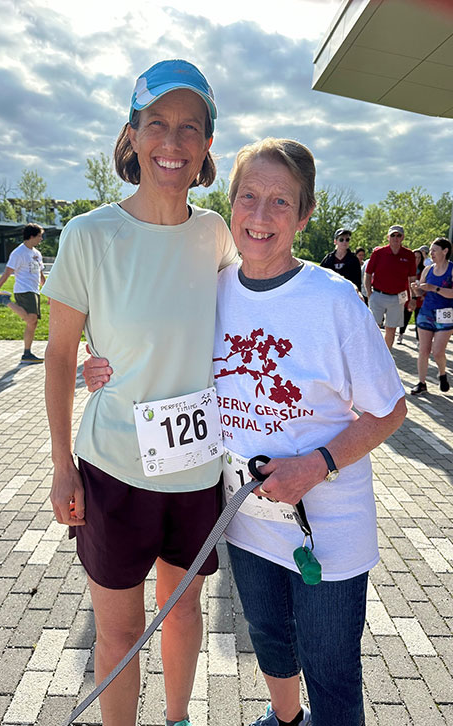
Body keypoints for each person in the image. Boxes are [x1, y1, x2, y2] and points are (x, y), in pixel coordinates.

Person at [83, 138, 406, 726]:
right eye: (248, 197)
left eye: (280, 202)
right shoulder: (215, 286)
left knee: (332, 668)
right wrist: (101, 361)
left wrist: (317, 464)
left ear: (305, 215)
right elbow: (156, 337)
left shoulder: (333, 301)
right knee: (270, 642)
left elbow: (390, 411)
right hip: (246, 521)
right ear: (229, 205)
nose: (260, 217)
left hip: (326, 532)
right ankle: (283, 719)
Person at [42, 59, 237, 726]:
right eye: (157, 124)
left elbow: (233, 332)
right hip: (114, 469)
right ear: (132, 134)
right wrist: (61, 462)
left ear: (209, 143)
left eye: (190, 128)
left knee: (182, 612)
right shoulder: (89, 234)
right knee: (120, 634)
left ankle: (178, 719)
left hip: (196, 468)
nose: (173, 143)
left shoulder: (217, 234)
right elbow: (62, 353)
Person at [0, 223, 46, 364]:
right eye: (39, 236)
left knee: (33, 323)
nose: (41, 239)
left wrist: (48, 293)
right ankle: (5, 300)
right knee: (31, 320)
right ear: (31, 236)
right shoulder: (19, 253)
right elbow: (7, 272)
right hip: (24, 290)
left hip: (34, 290)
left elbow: (41, 275)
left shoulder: (37, 254)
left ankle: (27, 353)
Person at [410, 237, 453, 395]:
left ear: (445, 251)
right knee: (423, 350)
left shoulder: (451, 269)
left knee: (438, 351)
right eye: (431, 250)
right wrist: (416, 289)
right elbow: (421, 292)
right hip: (426, 313)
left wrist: (434, 288)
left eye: (434, 250)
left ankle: (442, 373)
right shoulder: (428, 270)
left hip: (446, 314)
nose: (431, 253)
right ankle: (421, 383)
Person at [364, 224, 417, 349]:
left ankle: (386, 356)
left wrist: (413, 298)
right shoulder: (379, 253)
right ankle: (372, 353)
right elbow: (368, 273)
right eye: (393, 235)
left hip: (397, 298)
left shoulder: (409, 255)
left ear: (402, 237)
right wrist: (369, 293)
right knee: (373, 327)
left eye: (398, 235)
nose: (396, 238)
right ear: (388, 237)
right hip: (378, 295)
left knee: (391, 329)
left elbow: (412, 279)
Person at [397, 248, 425, 344]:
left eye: (419, 257)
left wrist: (423, 294)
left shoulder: (424, 270)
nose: (416, 259)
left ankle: (418, 339)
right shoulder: (405, 268)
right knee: (405, 317)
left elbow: (427, 284)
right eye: (415, 257)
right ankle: (400, 334)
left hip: (420, 298)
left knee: (419, 319)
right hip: (407, 297)